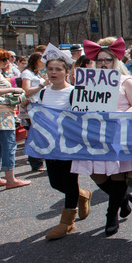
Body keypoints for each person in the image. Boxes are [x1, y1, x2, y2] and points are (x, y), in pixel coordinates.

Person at [73, 37, 132, 236]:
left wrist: (123, 115)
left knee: (116, 173)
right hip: (94, 134)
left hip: (117, 133)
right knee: (96, 173)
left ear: (116, 61)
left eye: (108, 60)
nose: (104, 63)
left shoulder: (125, 80)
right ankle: (121, 198)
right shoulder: (87, 79)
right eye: (100, 60)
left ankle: (111, 215)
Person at [22, 52, 91, 239]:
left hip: (68, 144)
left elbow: (82, 117)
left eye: (58, 69)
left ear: (67, 72)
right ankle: (83, 195)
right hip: (50, 145)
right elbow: (37, 117)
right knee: (55, 183)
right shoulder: (43, 92)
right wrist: (26, 106)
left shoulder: (75, 92)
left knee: (69, 181)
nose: (53, 72)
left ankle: (67, 222)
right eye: (50, 69)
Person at [0, 48, 30, 189]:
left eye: (7, 58)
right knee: (8, 146)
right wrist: (13, 90)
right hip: (0, 114)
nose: (7, 61)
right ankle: (10, 179)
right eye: (4, 59)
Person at [19, 52, 49, 172]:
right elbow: (25, 91)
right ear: (36, 60)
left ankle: (39, 160)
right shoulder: (27, 73)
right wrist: (42, 85)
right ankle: (35, 162)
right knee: (35, 134)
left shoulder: (37, 73)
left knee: (40, 133)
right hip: (33, 106)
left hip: (40, 105)